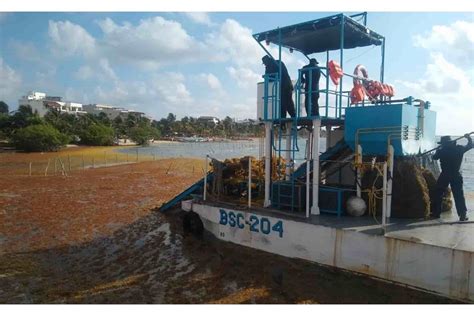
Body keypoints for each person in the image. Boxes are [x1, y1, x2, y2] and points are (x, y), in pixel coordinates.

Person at [432, 134, 473, 221]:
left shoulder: (442, 150)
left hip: (445, 175)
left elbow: (434, 157)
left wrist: (437, 150)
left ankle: (436, 213)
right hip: (456, 174)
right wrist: (468, 138)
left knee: (438, 193)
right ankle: (462, 215)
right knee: (459, 195)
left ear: (444, 144)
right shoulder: (459, 149)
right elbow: (470, 145)